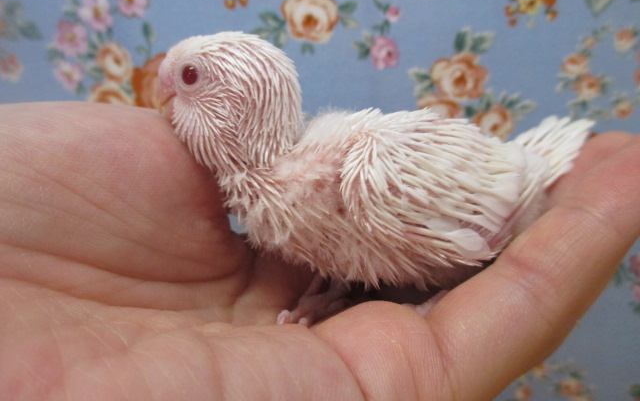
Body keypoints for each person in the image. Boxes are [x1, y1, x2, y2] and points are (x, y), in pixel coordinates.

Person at [0, 101, 638, 401]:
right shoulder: (272, 204)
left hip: (510, 186)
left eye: (188, 82)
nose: (166, 95)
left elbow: (482, 224)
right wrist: (335, 286)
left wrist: (437, 291)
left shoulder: (363, 171)